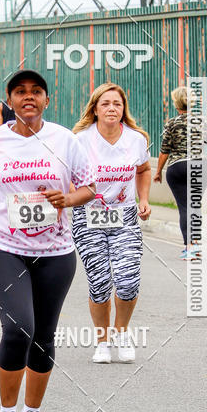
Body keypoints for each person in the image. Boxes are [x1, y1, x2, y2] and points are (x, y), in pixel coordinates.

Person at [0, 69, 97, 412]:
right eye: (20, 91)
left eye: (36, 91)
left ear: (46, 100)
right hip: (4, 248)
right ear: (9, 100)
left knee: (43, 337)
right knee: (18, 327)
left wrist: (68, 199)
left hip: (55, 253)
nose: (28, 97)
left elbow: (89, 187)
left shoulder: (65, 140)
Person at [72, 83, 151, 365]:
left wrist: (143, 198)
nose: (111, 108)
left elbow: (144, 169)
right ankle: (103, 342)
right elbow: (66, 175)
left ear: (123, 109)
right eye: (105, 103)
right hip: (88, 216)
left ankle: (121, 333)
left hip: (124, 216)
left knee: (128, 281)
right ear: (95, 109)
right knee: (100, 282)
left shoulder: (135, 139)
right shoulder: (80, 140)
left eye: (117, 104)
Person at [155, 86, 199, 260]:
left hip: (177, 167)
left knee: (184, 207)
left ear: (176, 103)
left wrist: (158, 171)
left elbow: (165, 150)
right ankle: (195, 246)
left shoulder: (172, 123)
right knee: (195, 206)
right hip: (199, 167)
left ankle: (189, 248)